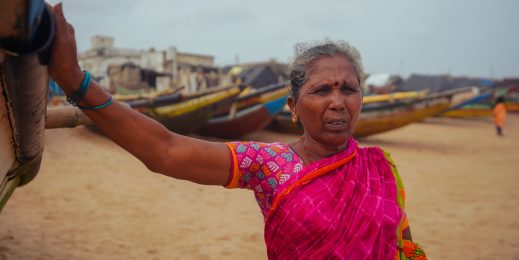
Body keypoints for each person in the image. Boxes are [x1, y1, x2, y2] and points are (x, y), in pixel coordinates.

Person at [47, 3, 426, 259]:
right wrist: (76, 82)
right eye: (321, 90)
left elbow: (402, 244)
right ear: (293, 107)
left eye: (349, 88)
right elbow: (165, 150)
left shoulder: (380, 167)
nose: (338, 101)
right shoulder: (271, 164)